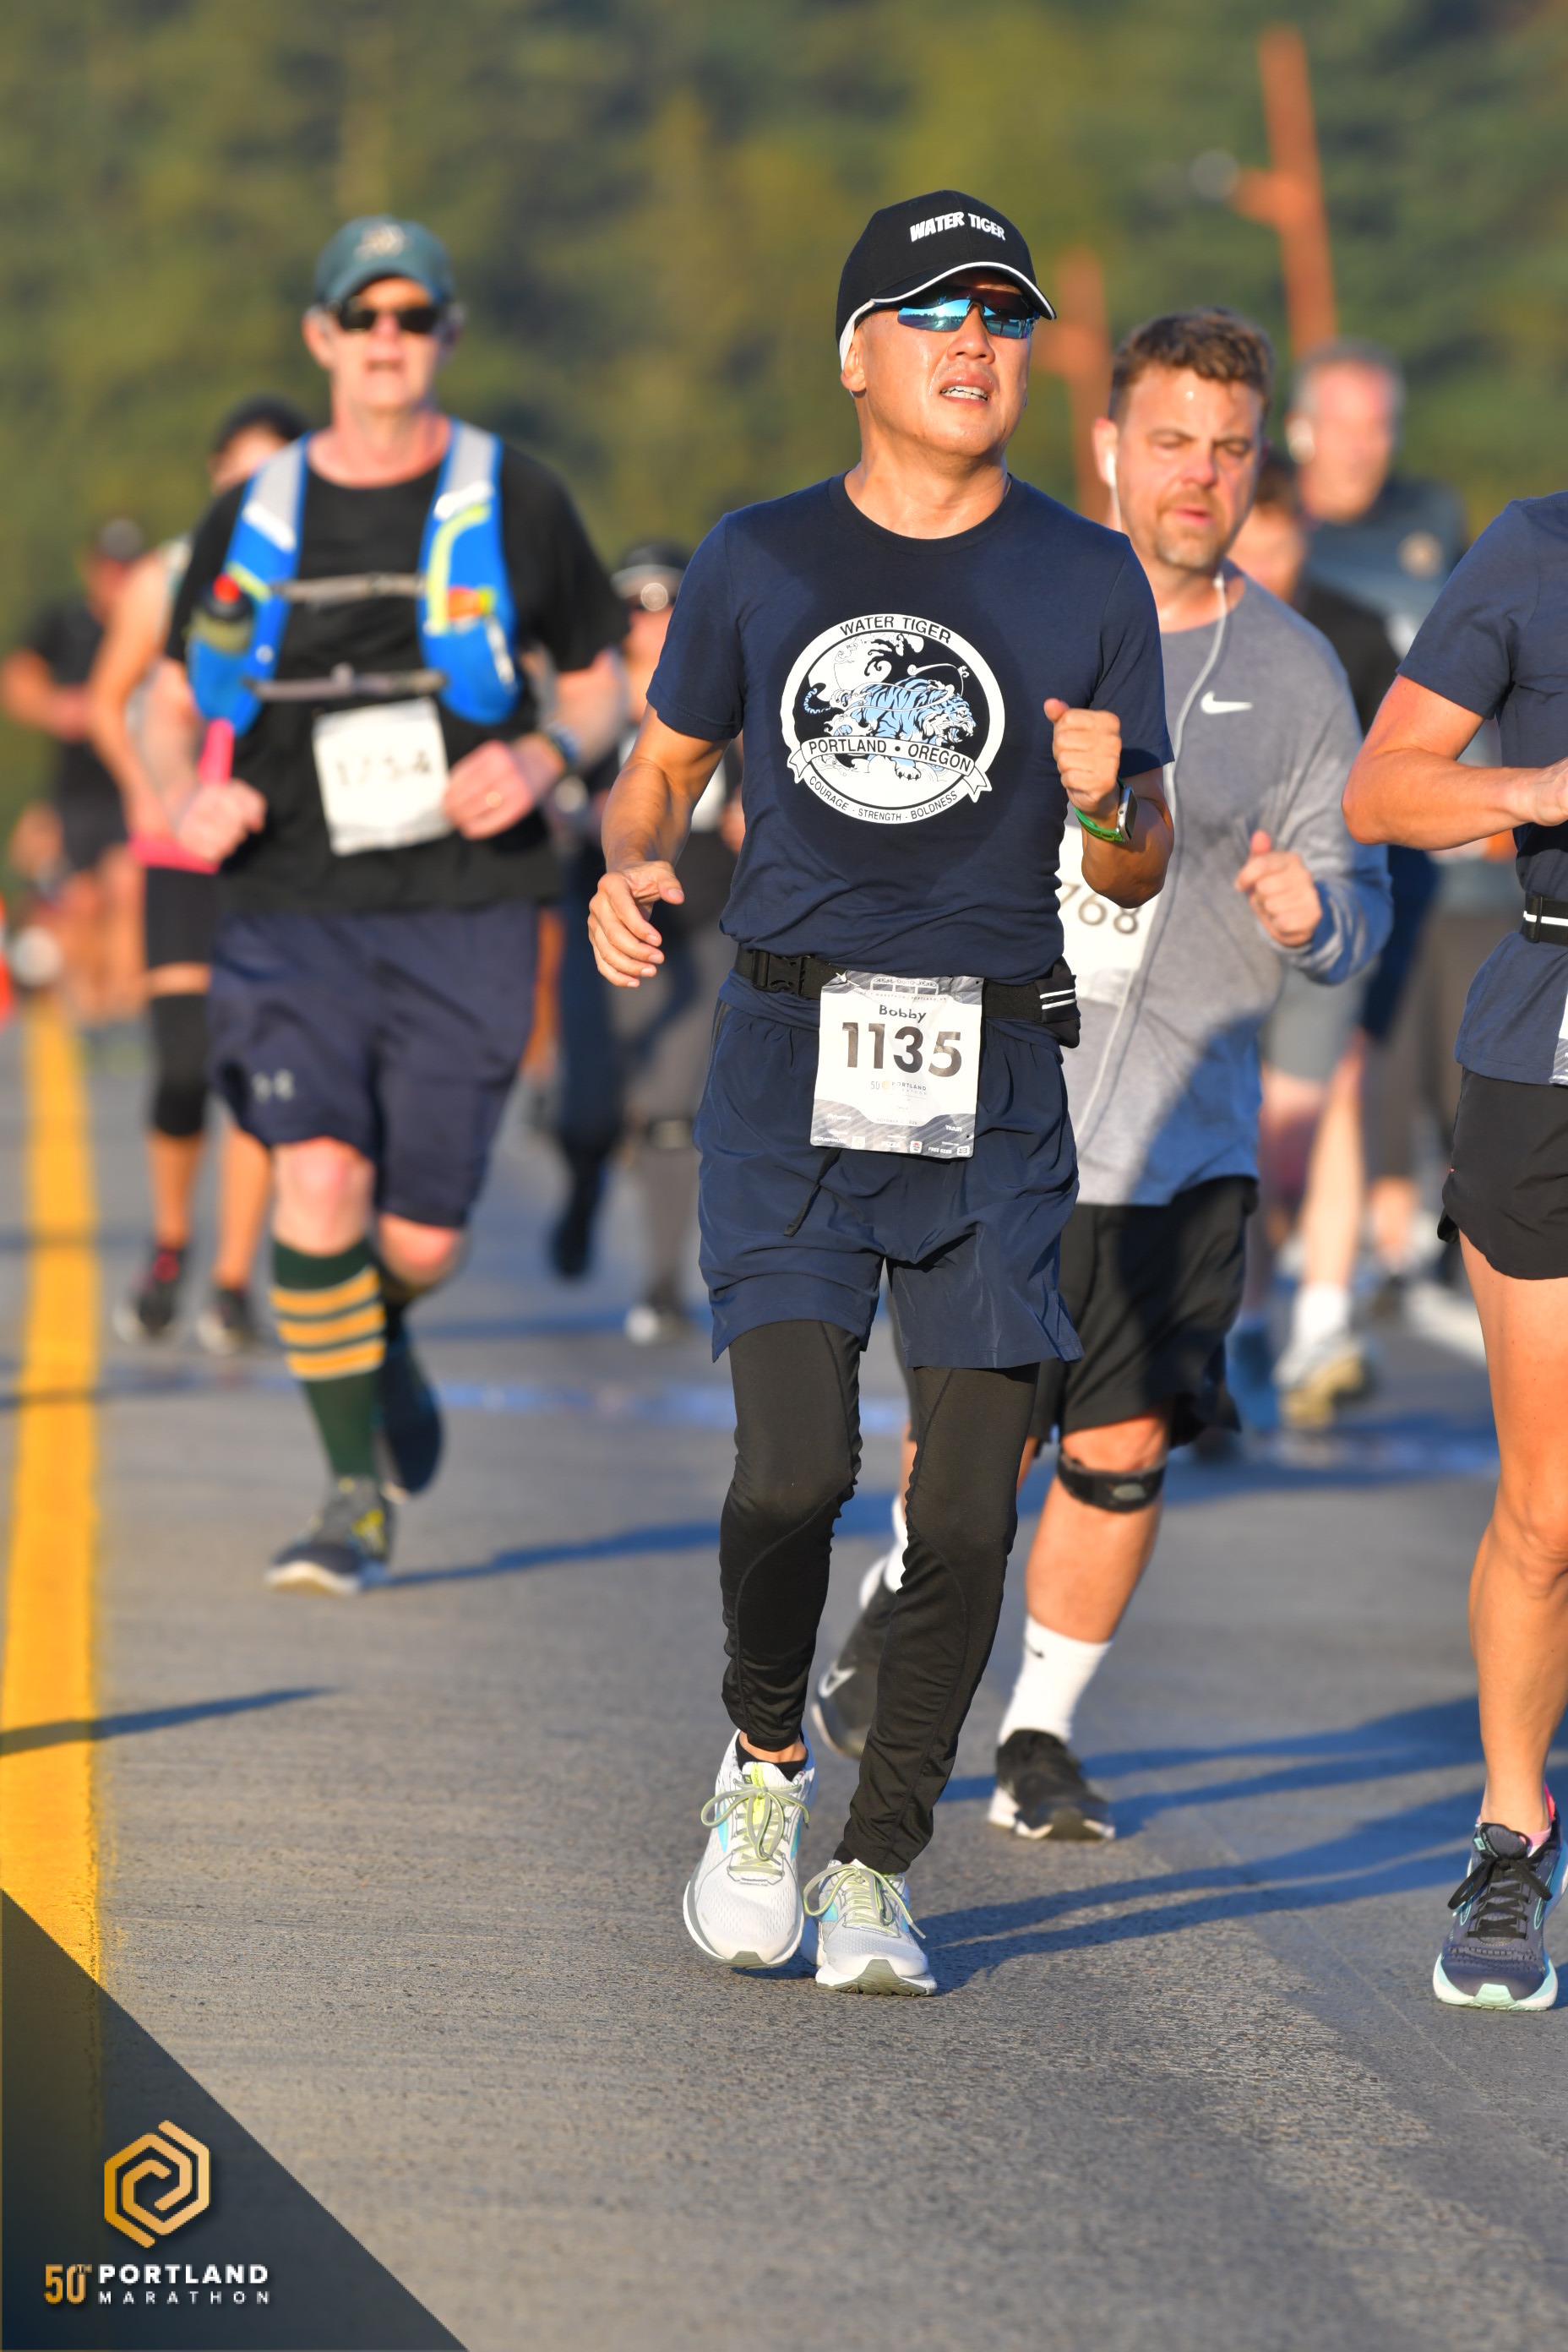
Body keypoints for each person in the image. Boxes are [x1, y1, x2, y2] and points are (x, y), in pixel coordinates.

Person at [591, 191, 1173, 1992]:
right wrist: (629, 859)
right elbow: (660, 766)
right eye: (933, 312)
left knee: (973, 1504)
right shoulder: (758, 556)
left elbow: (1141, 855)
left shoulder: (1087, 575)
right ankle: (764, 1761)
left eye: (999, 314)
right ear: (857, 356)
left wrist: (1110, 797)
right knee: (792, 1470)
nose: (973, 341)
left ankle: (877, 1863)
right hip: (789, 1052)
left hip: (993, 1068)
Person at [812, 311, 1391, 1843]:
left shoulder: (1296, 671)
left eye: (1228, 448)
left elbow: (1362, 901)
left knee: (1123, 1448)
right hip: (991, 1113)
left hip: (1184, 1140)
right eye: (1171, 441)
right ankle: (907, 1585)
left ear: (1256, 466)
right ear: (1109, 448)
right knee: (974, 1452)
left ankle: (1039, 1733)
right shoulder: (1002, 608)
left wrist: (1319, 915)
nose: (1199, 474)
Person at [147, 215, 626, 1592]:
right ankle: (352, 1494)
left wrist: (543, 756)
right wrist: (184, 791)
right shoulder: (258, 512)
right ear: (322, 336)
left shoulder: (514, 495)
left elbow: (601, 680)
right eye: (363, 317)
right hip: (291, 899)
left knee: (420, 1236)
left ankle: (375, 1331)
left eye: (413, 317)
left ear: (448, 335)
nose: (387, 340)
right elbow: (165, 699)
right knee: (316, 1175)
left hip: (468, 903)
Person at [1343, 486, 1568, 2010]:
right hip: (1550, 1047)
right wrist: (1540, 785)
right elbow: (1384, 790)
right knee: (1550, 1509)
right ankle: (1510, 1831)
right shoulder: (1536, 551)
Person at [91, 395, 308, 1352]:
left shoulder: (320, 581)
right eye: (242, 473)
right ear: (214, 474)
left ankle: (231, 1281)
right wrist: (149, 790)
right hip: (181, 849)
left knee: (258, 1071)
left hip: (276, 852)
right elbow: (112, 701)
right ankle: (172, 1244)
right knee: (184, 1063)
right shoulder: (167, 576)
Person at [1228, 452, 1407, 1427]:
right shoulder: (1188, 625)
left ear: (1304, 529)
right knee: (1250, 1131)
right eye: (1246, 543)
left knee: (1321, 1099)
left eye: (1279, 541)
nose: (1263, 562)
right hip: (1216, 913)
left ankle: (1322, 1321)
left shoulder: (1352, 635)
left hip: (1329, 902)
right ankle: (1247, 1320)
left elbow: (1388, 781)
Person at [549, 541, 743, 1338]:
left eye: (671, 605)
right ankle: (583, 1179)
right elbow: (546, 790)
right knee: (589, 1111)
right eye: (636, 607)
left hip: (700, 926)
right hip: (600, 931)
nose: (653, 623)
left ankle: (663, 1281)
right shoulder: (588, 703)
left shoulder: (730, 692)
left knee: (671, 1111)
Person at [1, 520, 146, 1024]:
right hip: (78, 792)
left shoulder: (148, 619)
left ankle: (128, 1008)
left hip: (131, 784)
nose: (117, 580)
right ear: (92, 568)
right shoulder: (66, 622)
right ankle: (90, 1012)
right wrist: (58, 708)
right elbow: (17, 680)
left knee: (129, 887)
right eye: (111, 568)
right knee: (80, 900)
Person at [1286, 339, 1466, 657]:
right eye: (1341, 428)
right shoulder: (1269, 525)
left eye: (1374, 429)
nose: (1358, 452)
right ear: (1299, 431)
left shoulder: (1432, 512)